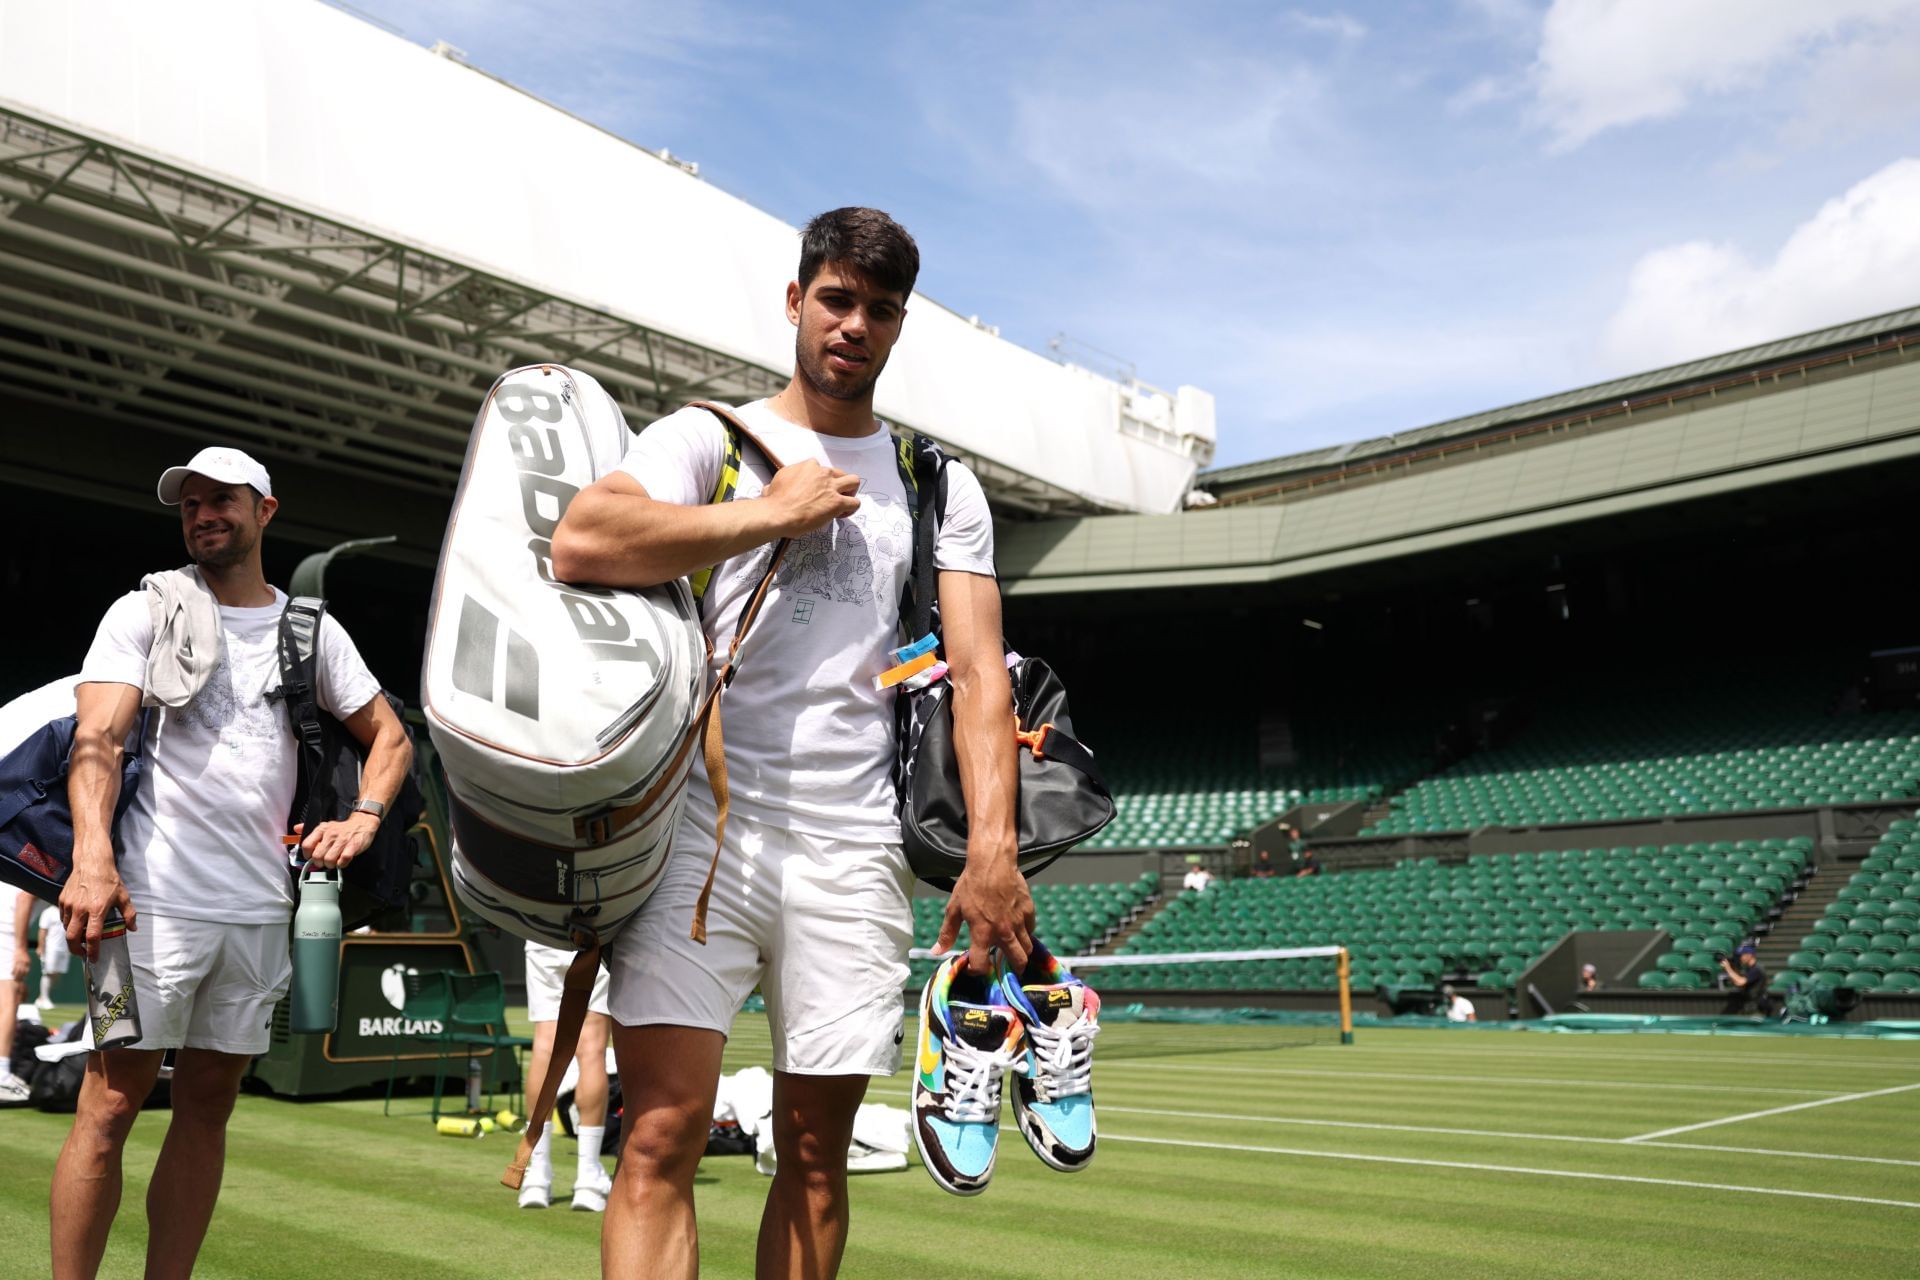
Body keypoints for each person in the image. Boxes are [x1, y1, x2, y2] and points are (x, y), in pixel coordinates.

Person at [550, 207, 1027, 1280]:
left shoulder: (937, 482)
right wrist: (767, 514)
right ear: (796, 299)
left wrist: (992, 849)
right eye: (837, 298)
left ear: (900, 326)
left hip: (856, 846)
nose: (854, 324)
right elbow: (582, 539)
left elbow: (982, 672)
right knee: (661, 1134)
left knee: (816, 1159)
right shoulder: (707, 437)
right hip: (700, 836)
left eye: (880, 310)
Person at [51, 446, 412, 1280]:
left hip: (257, 915)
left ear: (266, 511)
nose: (204, 514)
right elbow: (96, 740)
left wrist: (362, 820)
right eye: (191, 505)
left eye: (223, 500)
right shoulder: (144, 610)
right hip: (145, 905)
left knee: (209, 1107)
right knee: (107, 1106)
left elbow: (389, 738)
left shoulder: (310, 630)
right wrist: (93, 861)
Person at [517, 939, 616, 1213]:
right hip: (598, 929)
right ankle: (587, 1180)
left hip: (544, 933)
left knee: (545, 1046)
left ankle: (536, 1177)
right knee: (592, 1049)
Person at [1, 881, 31, 1101]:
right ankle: (1, 1075)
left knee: (17, 994)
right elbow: (25, 897)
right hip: (6, 933)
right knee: (8, 1001)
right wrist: (21, 948)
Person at [1719, 945, 1779, 1017]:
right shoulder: (1748, 969)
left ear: (1749, 955)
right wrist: (1731, 970)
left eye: (1742, 955)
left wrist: (1728, 969)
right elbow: (1737, 982)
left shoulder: (1756, 969)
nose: (1740, 958)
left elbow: (1741, 982)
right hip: (1750, 1006)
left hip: (1757, 1008)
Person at [38, 898, 71, 1009]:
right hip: (51, 949)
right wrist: (40, 947)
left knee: (56, 975)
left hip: (64, 948)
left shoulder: (67, 912)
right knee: (49, 973)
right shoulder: (48, 912)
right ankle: (44, 998)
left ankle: (40, 998)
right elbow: (42, 931)